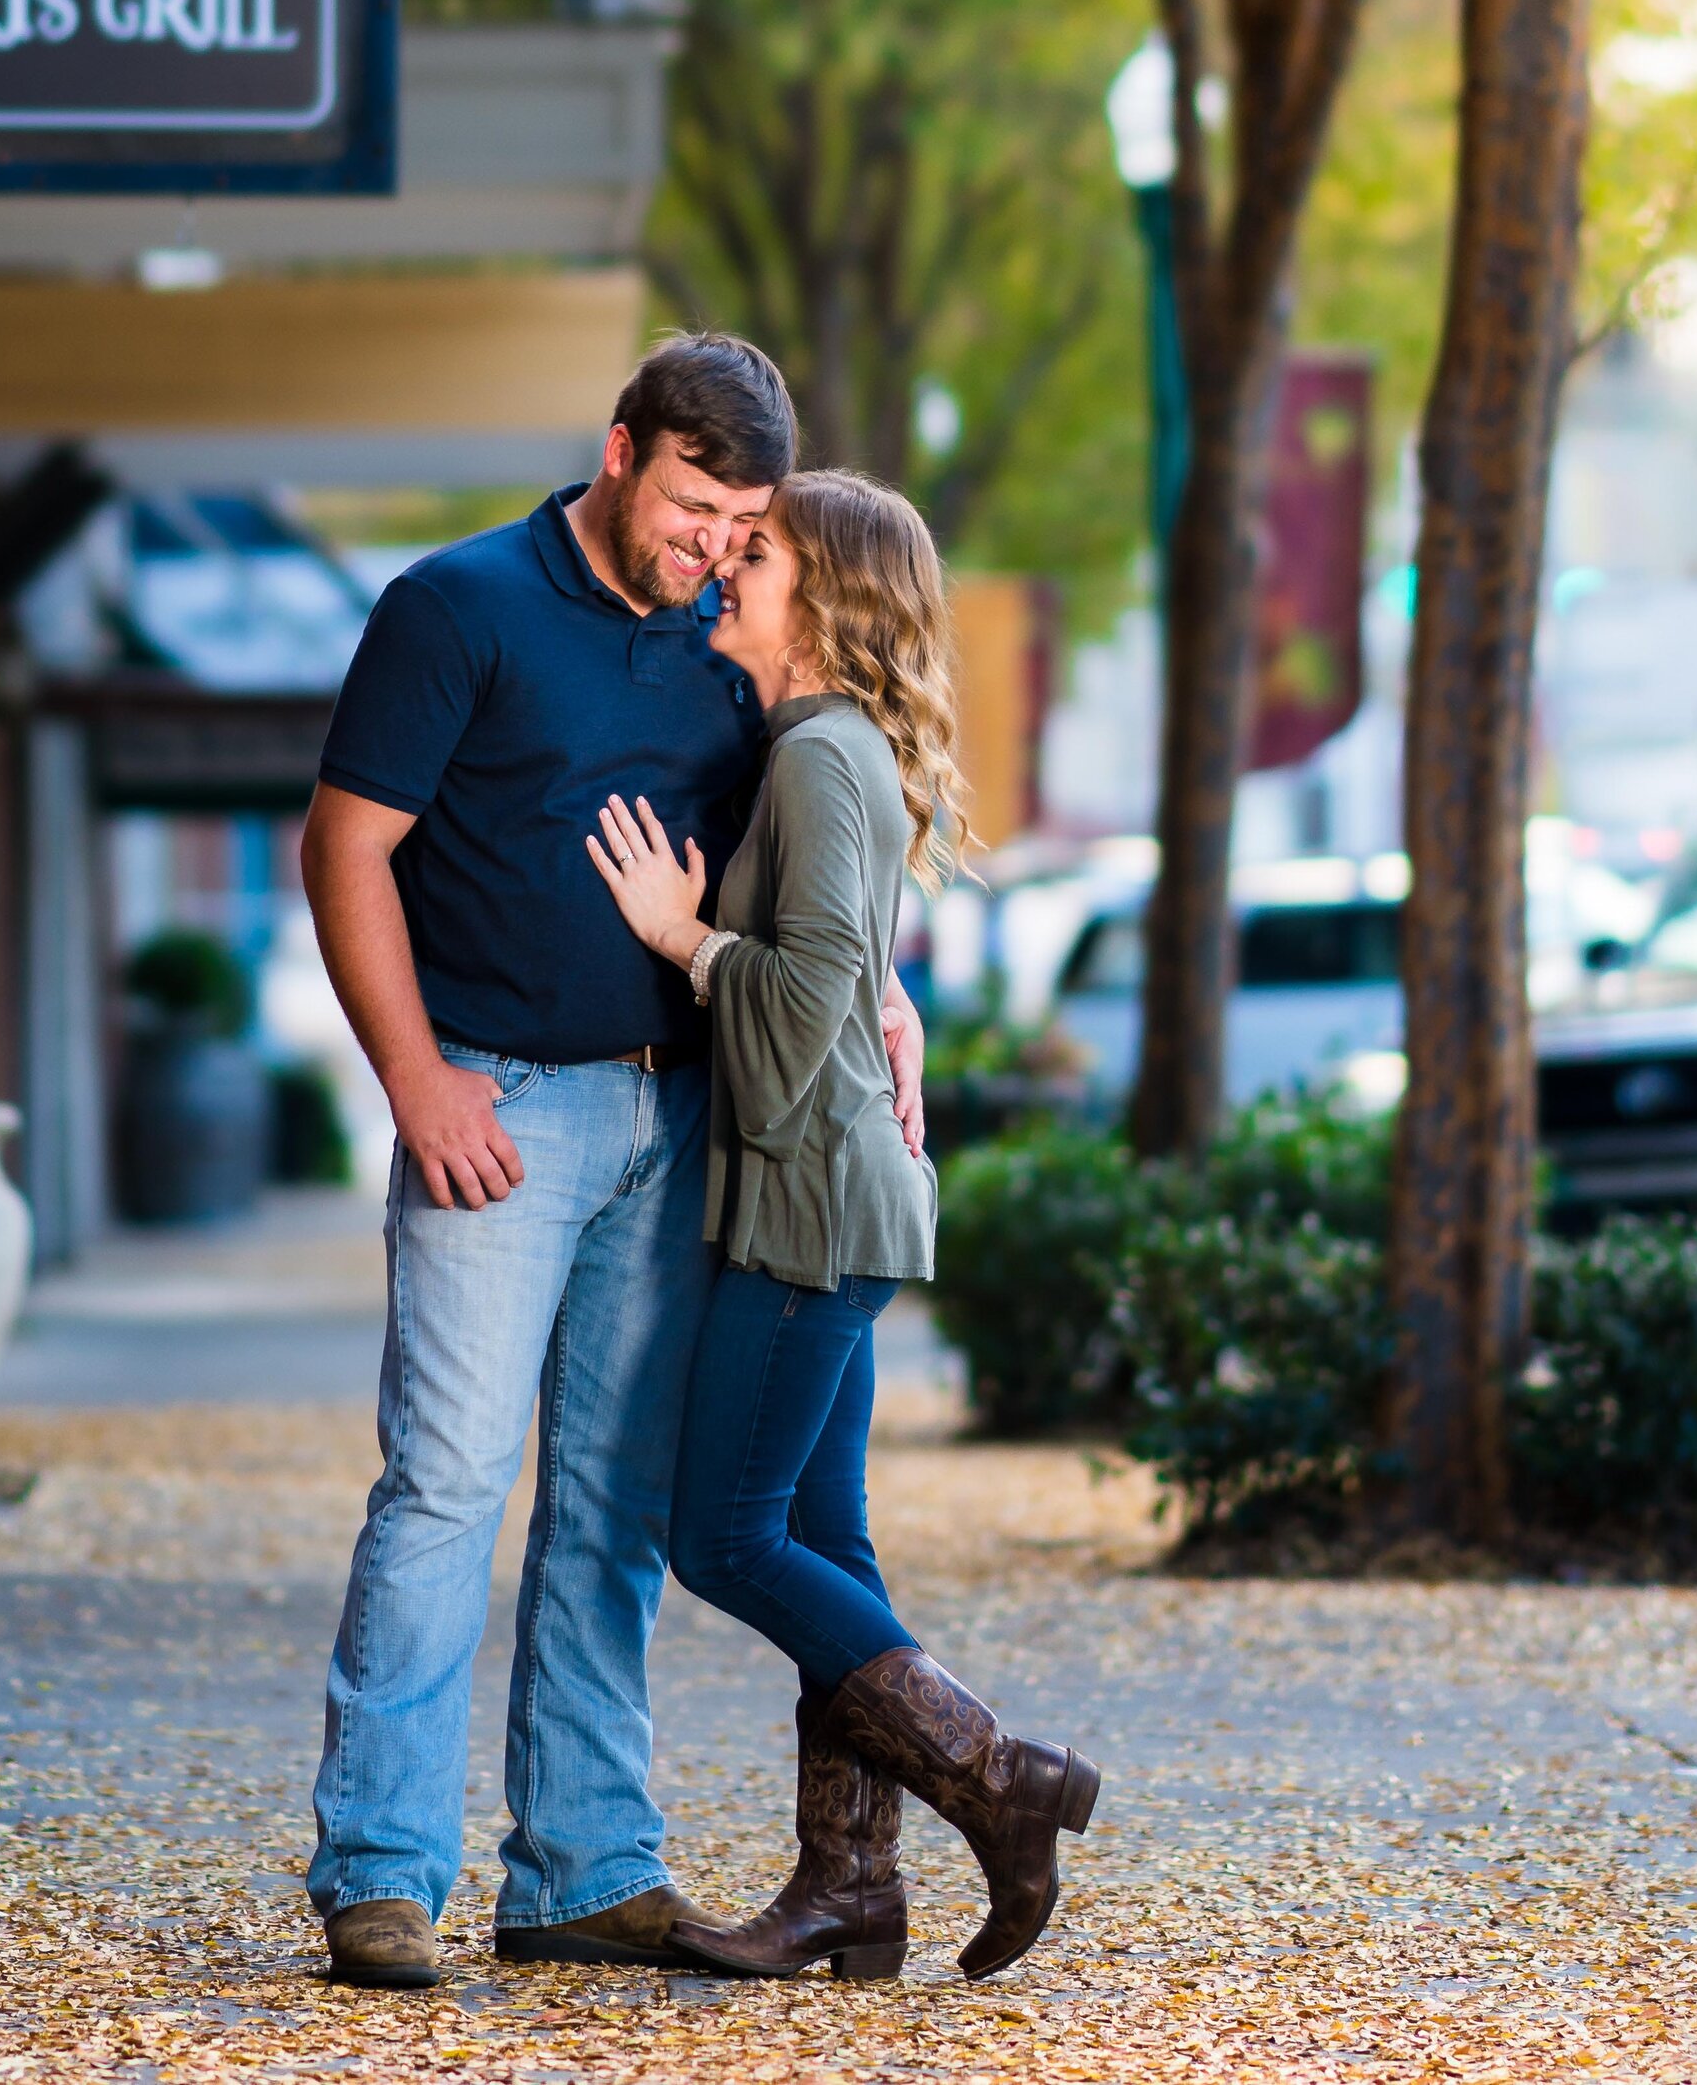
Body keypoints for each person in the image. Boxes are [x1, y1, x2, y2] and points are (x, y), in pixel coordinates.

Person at [297, 331, 924, 1991]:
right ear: (622, 447)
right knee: (443, 1485)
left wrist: (885, 989)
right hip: (498, 1110)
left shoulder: (730, 646)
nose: (712, 545)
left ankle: (583, 1863)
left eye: (742, 521)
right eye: (695, 503)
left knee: (616, 1504)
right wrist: (417, 1076)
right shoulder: (459, 606)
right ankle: (381, 1868)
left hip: (687, 1113)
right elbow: (344, 842)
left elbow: (803, 866)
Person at [587, 469, 1101, 1985]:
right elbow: (852, 975)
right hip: (839, 1198)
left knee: (722, 1534)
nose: (727, 566)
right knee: (827, 1547)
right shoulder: (822, 748)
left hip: (811, 1211)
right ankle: (850, 1889)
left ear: (826, 596)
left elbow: (806, 1007)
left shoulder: (820, 756)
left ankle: (997, 1777)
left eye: (760, 550)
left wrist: (683, 935)